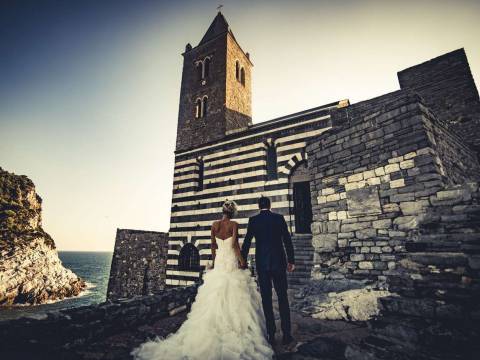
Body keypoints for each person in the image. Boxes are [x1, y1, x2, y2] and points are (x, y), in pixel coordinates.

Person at [132, 200, 274, 360]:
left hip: (220, 261)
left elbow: (213, 246)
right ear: (233, 212)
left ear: (223, 210)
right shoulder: (234, 224)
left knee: (214, 295)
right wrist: (242, 261)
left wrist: (215, 262)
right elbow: (234, 245)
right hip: (231, 261)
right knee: (235, 295)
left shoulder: (214, 225)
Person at [241, 196, 295, 346]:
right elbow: (287, 240)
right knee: (283, 298)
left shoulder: (254, 221)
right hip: (279, 262)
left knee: (266, 299)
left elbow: (246, 242)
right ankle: (286, 335)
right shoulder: (279, 218)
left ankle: (271, 335)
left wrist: (242, 260)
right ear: (270, 205)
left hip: (262, 265)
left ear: (259, 206)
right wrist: (291, 260)